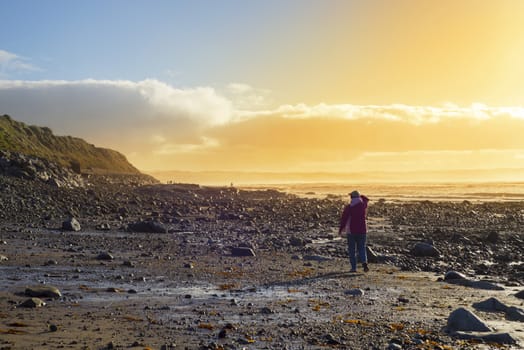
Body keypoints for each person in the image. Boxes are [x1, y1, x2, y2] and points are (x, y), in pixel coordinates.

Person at [338, 190, 369, 272]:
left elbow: (344, 219)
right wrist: (360, 196)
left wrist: (341, 229)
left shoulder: (349, 207)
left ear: (351, 197)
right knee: (362, 248)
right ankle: (364, 263)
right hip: (362, 230)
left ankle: (353, 268)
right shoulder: (363, 205)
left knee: (352, 250)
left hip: (351, 231)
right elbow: (366, 199)